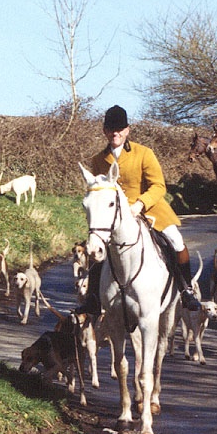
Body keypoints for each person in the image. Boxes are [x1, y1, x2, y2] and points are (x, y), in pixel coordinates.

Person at [78, 105, 202, 314]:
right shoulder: (98, 160)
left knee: (176, 241)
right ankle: (93, 297)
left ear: (127, 130)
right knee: (97, 248)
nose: (115, 133)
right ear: (104, 131)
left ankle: (185, 289)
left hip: (148, 209)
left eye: (119, 129)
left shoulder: (144, 153)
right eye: (110, 129)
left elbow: (158, 186)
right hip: (113, 215)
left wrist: (139, 204)